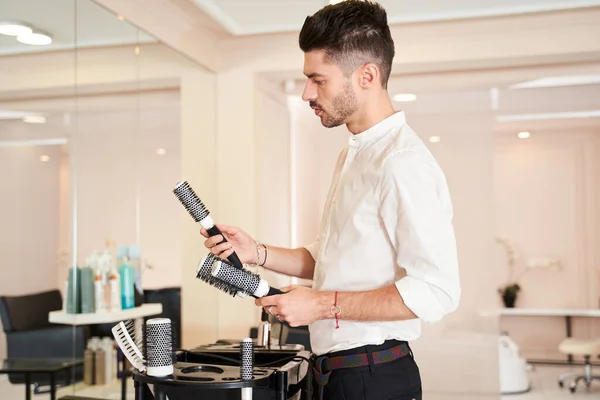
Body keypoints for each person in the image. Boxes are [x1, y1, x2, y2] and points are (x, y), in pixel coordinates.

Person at [201, 1, 461, 399]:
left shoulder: (402, 163)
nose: (307, 92)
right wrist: (258, 252)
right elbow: (336, 256)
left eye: (318, 80)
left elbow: (437, 290)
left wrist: (321, 306)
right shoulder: (353, 154)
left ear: (367, 76)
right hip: (333, 375)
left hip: (375, 379)